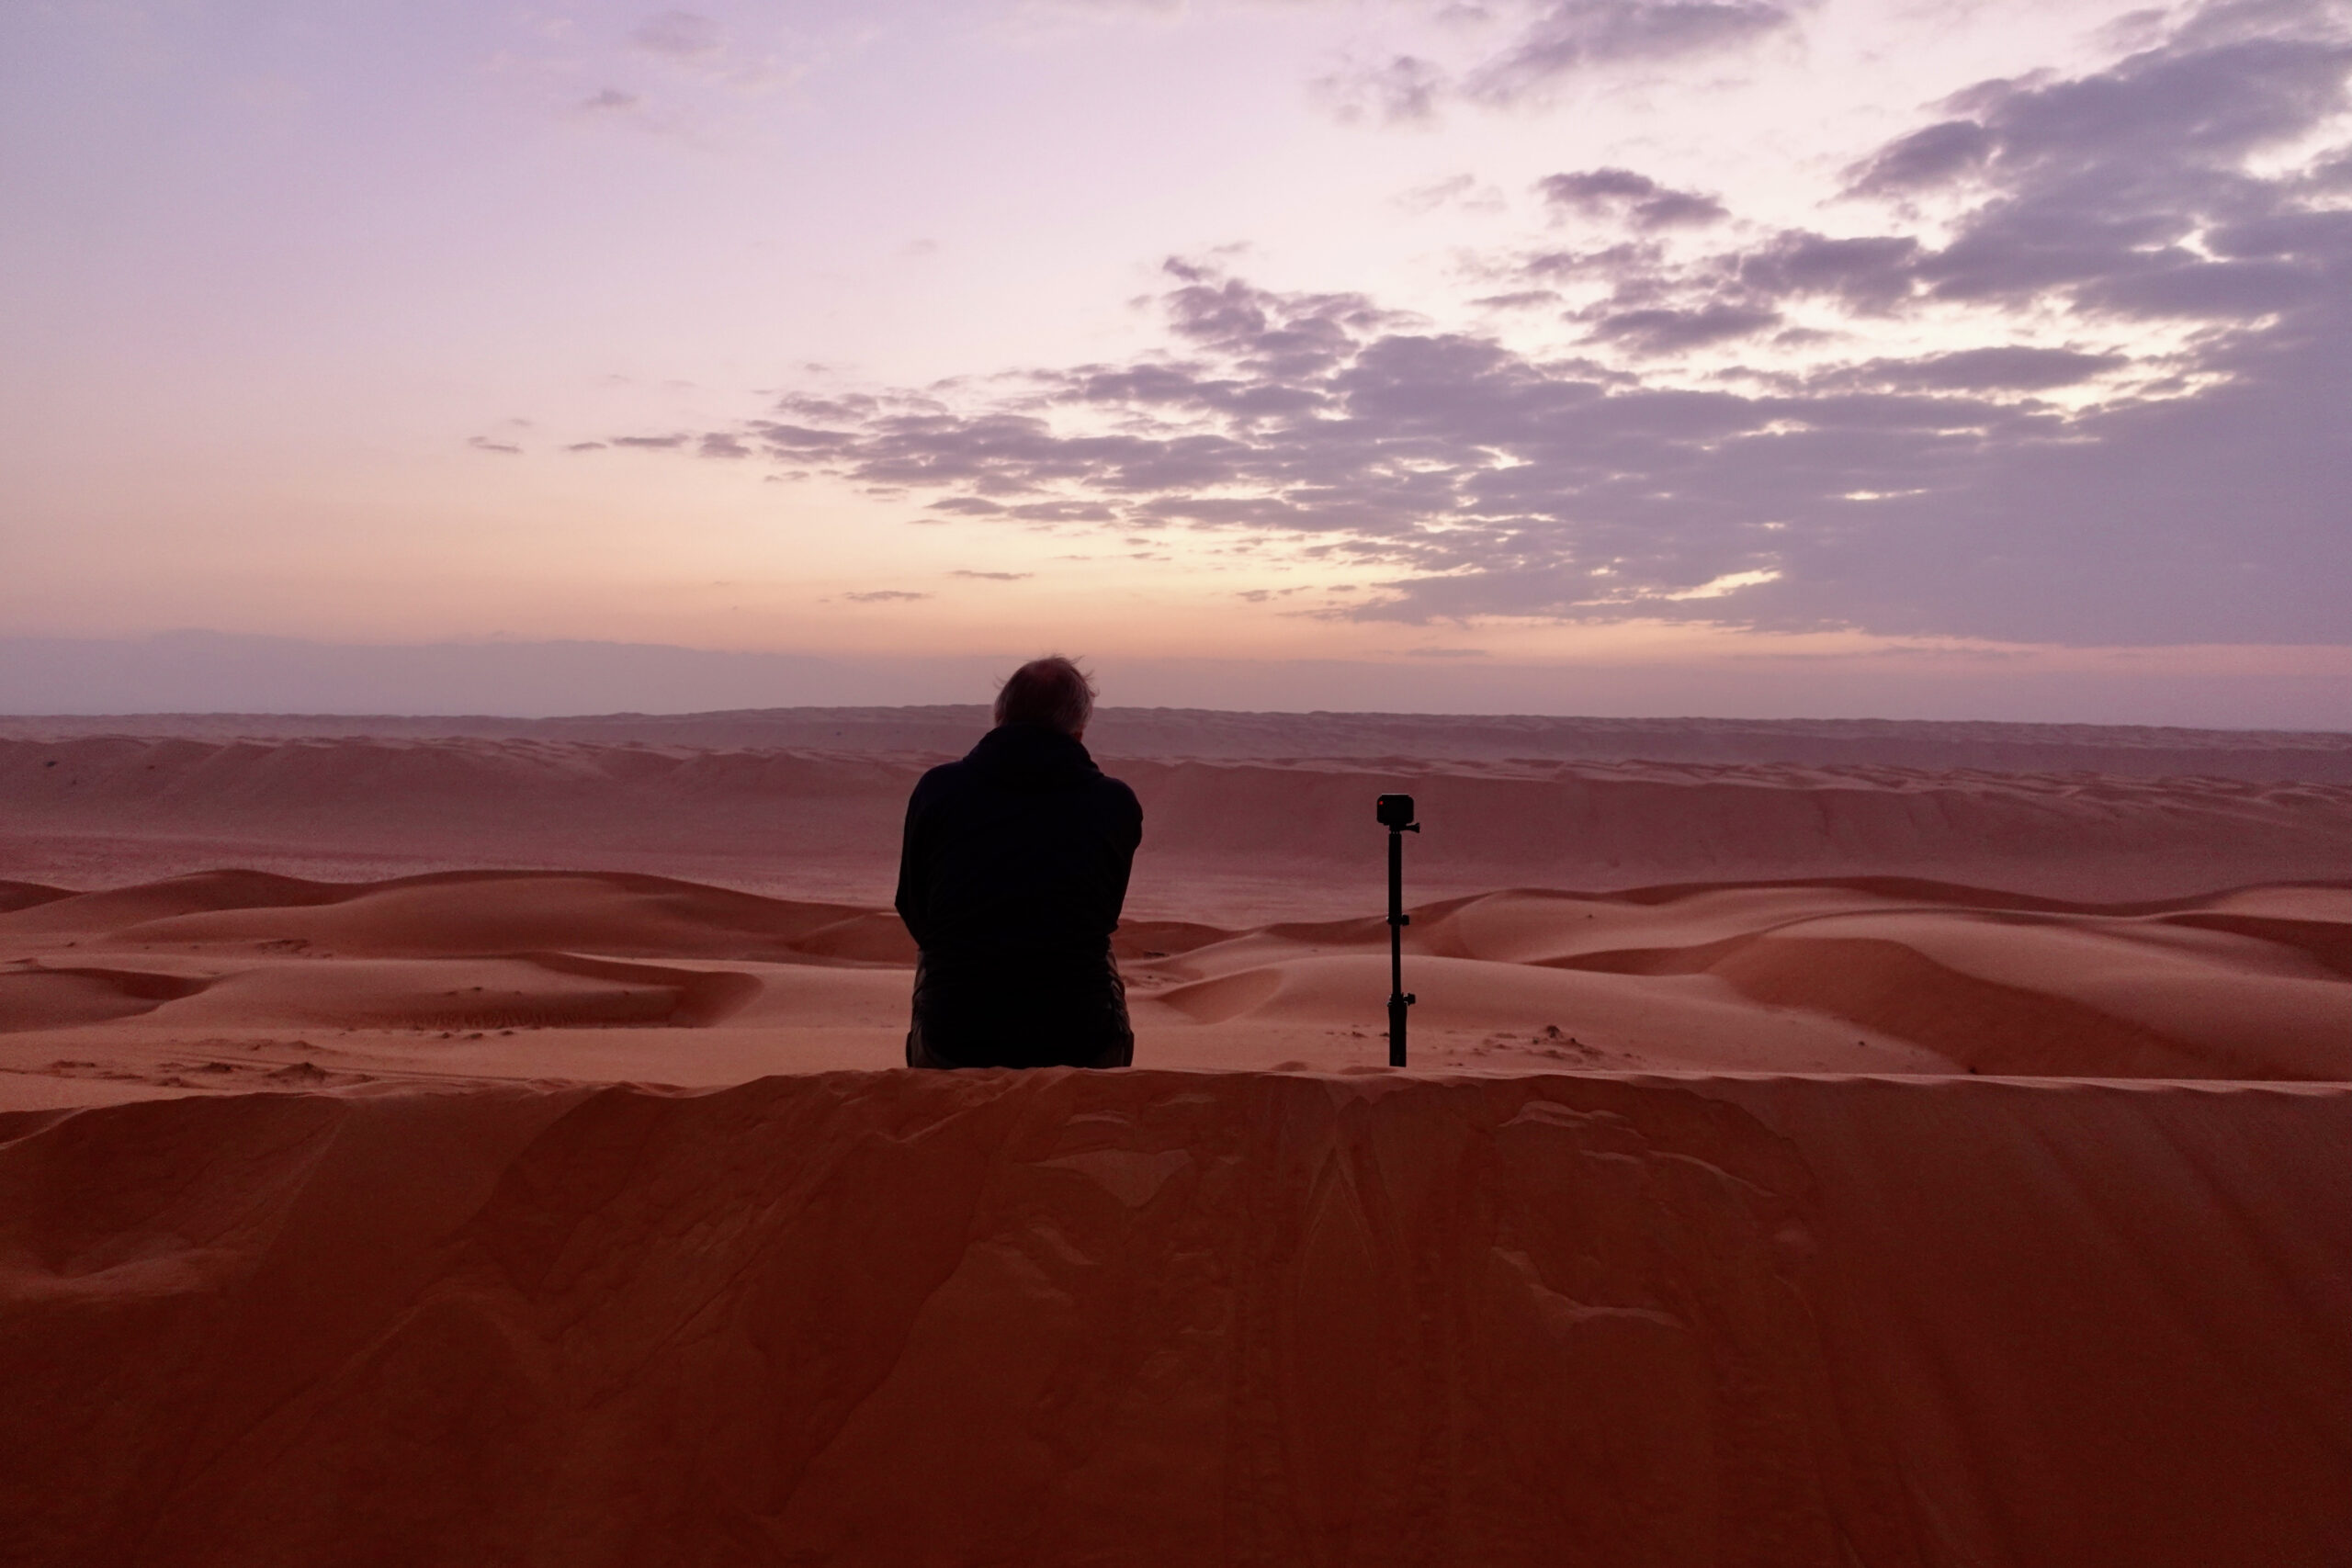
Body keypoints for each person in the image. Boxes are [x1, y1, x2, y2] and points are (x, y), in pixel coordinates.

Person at [895, 656, 1142, 1068]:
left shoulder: (937, 790)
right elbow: (1104, 913)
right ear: (1079, 730)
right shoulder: (1113, 802)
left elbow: (913, 906)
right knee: (1091, 941)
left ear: (999, 716)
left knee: (940, 942)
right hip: (1084, 1040)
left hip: (952, 1039)